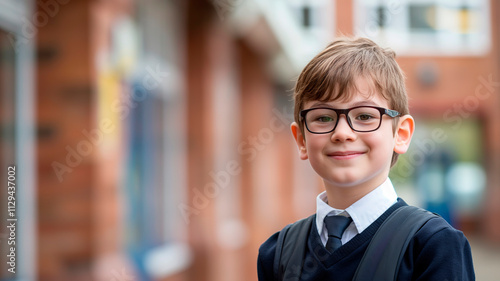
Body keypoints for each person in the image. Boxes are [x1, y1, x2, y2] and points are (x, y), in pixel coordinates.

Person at [257, 37, 475, 280]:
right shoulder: (278, 253)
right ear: (301, 140)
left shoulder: (431, 246)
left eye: (364, 116)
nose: (342, 133)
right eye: (323, 118)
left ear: (400, 134)